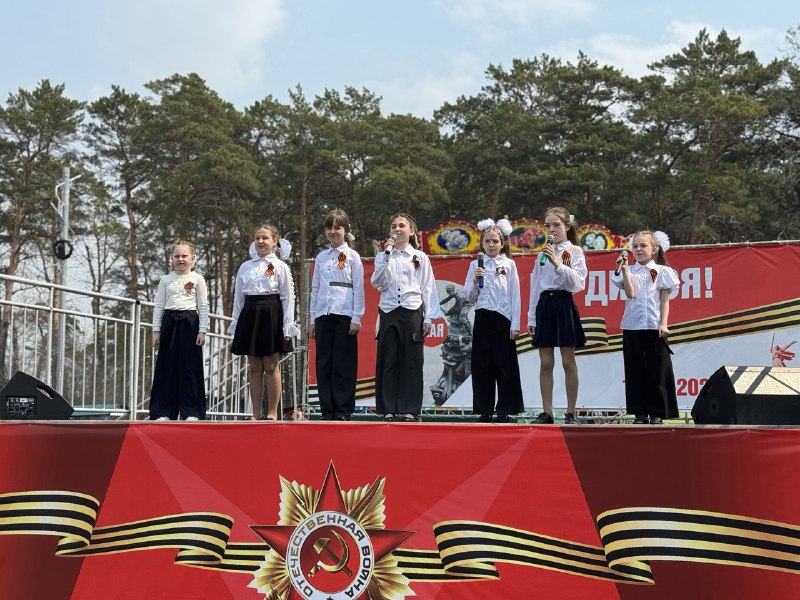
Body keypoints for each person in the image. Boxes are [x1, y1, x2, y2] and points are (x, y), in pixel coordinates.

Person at [371, 213, 439, 422]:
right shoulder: (383, 256)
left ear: (411, 231)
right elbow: (379, 283)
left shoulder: (419, 257)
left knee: (412, 361)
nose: (397, 229)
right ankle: (388, 408)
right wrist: (386, 257)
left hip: (412, 311)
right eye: (394, 226)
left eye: (402, 226)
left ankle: (411, 409)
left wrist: (429, 317)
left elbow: (428, 288)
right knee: (388, 360)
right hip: (389, 311)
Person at [229, 224, 298, 421]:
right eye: (257, 238)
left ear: (275, 241)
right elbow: (238, 298)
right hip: (250, 314)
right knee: (254, 366)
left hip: (271, 314)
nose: (260, 241)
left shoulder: (280, 266)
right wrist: (236, 323)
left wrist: (287, 325)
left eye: (265, 238)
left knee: (270, 364)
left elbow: (287, 297)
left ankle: (272, 412)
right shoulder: (245, 267)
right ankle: (255, 413)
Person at [611, 230, 680, 424]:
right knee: (635, 370)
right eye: (635, 246)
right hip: (632, 327)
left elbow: (664, 300)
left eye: (643, 246)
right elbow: (631, 293)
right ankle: (639, 413)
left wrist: (664, 323)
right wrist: (625, 270)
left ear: (654, 249)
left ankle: (657, 412)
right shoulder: (629, 270)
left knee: (657, 369)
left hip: (654, 326)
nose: (639, 249)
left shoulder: (662, 271)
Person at [526, 207, 588, 425]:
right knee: (545, 362)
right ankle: (547, 412)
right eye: (547, 226)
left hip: (563, 303)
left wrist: (557, 263)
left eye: (556, 225)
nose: (551, 230)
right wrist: (531, 317)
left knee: (568, 360)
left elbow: (577, 283)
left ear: (567, 226)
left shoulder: (575, 251)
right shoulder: (542, 253)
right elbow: (535, 286)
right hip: (545, 305)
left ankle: (571, 412)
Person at [464, 218, 524, 423]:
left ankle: (505, 409)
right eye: (487, 241)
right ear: (482, 243)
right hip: (482, 317)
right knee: (482, 365)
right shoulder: (475, 265)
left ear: (502, 243)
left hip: (503, 318)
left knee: (504, 365)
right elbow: (469, 297)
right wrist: (475, 280)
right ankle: (484, 409)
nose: (491, 245)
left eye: (495, 241)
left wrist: (515, 324)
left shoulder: (509, 264)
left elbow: (515, 295)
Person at [308, 209, 365, 421]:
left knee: (343, 363)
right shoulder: (321, 257)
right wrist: (312, 319)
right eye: (328, 228)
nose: (332, 232)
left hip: (344, 314)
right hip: (323, 314)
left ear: (345, 230)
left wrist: (356, 317)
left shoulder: (353, 257)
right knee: (324, 362)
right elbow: (315, 289)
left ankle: (343, 409)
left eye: (337, 228)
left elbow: (358, 288)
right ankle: (327, 410)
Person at [149, 241, 209, 421]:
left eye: (184, 256)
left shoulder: (198, 279)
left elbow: (203, 306)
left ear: (193, 258)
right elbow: (159, 306)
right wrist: (156, 330)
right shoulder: (165, 280)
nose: (180, 259)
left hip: (190, 322)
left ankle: (191, 411)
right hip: (169, 322)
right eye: (177, 256)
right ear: (172, 259)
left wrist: (202, 330)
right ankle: (164, 411)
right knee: (166, 367)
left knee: (190, 368)